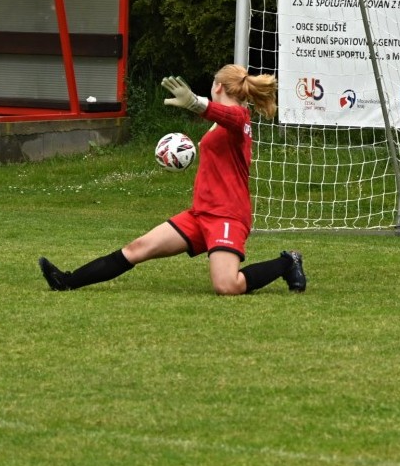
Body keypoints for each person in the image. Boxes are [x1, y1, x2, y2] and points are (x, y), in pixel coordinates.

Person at [38, 65, 307, 295]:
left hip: (227, 216)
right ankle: (67, 281)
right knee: (137, 248)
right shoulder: (222, 121)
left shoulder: (239, 118)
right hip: (201, 213)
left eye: (213, 84)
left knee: (227, 286)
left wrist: (193, 102)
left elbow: (223, 114)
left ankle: (287, 262)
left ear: (219, 87)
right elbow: (216, 116)